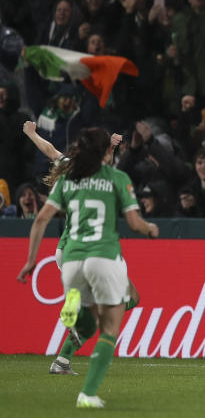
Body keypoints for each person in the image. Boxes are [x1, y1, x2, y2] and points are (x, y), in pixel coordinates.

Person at [17, 127, 158, 408]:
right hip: (102, 254)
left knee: (92, 314)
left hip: (66, 254)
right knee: (125, 304)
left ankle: (63, 356)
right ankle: (86, 384)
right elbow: (132, 218)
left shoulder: (69, 172)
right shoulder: (114, 177)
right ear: (103, 151)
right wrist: (150, 228)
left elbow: (49, 152)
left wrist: (31, 133)